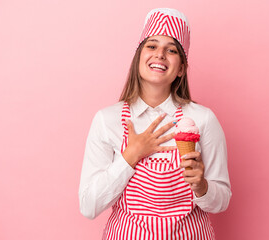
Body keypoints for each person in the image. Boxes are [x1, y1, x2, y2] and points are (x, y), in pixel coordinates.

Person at [79, 8, 231, 239]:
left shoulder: (203, 119)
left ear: (181, 68)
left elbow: (221, 201)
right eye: (151, 46)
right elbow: (89, 206)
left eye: (171, 50)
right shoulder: (106, 120)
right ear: (139, 58)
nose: (160, 54)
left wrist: (202, 186)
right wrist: (131, 155)